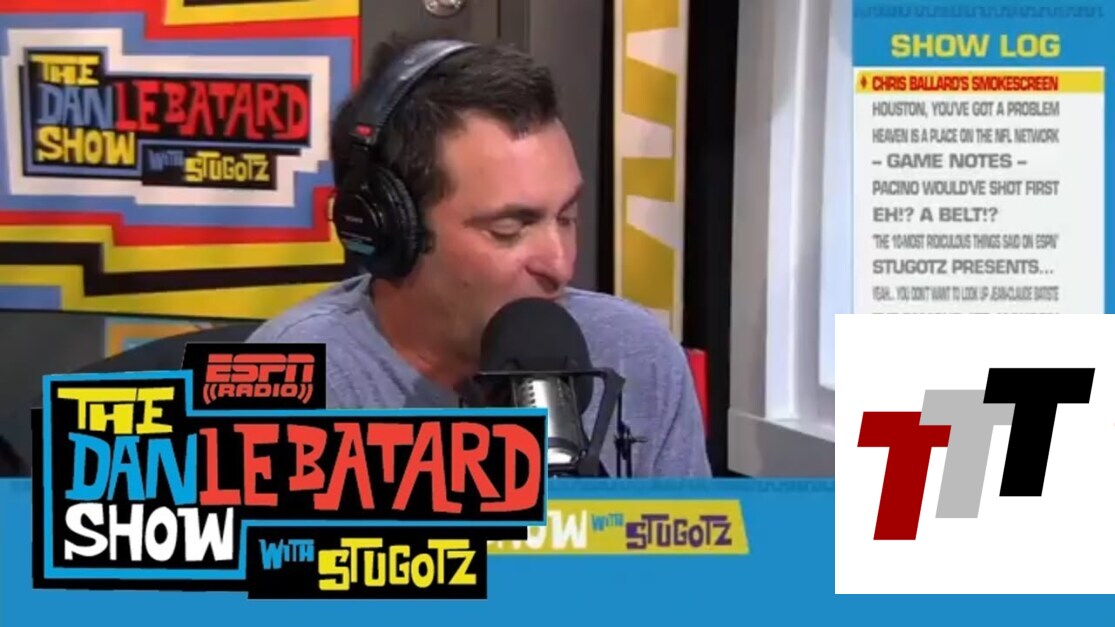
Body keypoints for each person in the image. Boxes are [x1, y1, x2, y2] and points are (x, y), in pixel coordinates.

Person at [247, 36, 711, 478]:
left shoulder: (637, 354)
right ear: (393, 234)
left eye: (567, 217)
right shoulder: (290, 385)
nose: (560, 264)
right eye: (509, 229)